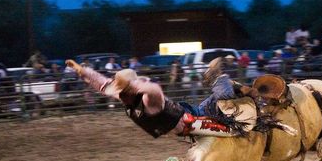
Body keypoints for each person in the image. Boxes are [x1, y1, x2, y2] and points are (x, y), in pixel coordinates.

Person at [64, 57, 258, 138]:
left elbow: (153, 88)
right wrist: (80, 70)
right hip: (184, 122)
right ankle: (232, 86)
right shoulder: (124, 94)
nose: (120, 97)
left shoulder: (150, 97)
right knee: (214, 104)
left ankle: (221, 80)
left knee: (219, 105)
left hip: (192, 119)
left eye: (124, 93)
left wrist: (132, 85)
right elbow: (101, 82)